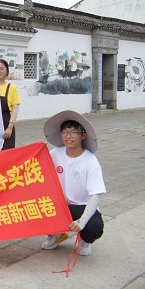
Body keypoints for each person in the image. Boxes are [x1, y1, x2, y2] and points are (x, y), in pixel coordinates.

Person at [41, 110, 106, 256]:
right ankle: (56, 234)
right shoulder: (56, 153)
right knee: (33, 211)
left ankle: (85, 239)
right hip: (60, 204)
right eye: (65, 131)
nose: (68, 136)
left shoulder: (90, 161)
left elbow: (96, 195)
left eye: (73, 132)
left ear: (83, 135)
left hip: (81, 207)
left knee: (94, 227)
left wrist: (82, 221)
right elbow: (37, 167)